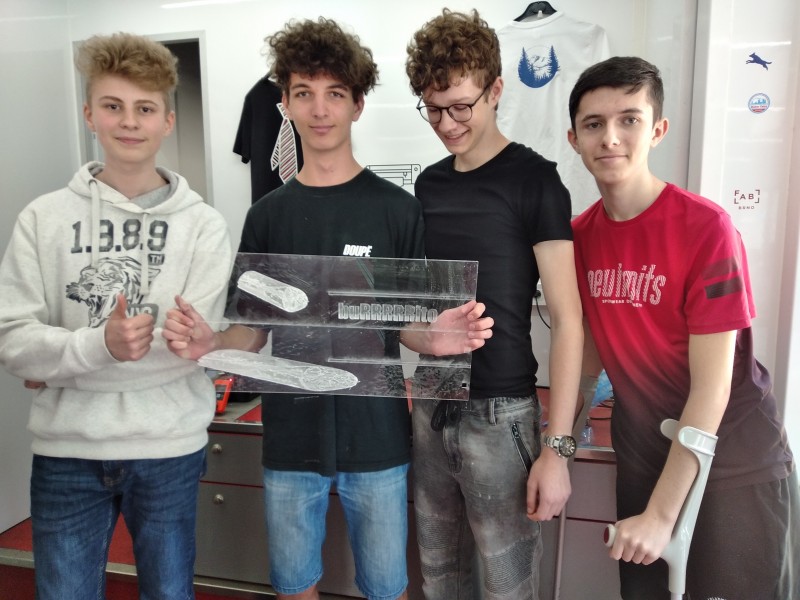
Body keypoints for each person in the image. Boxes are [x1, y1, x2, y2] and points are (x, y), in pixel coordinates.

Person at [162, 17, 492, 600]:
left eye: (335, 93)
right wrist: (209, 344)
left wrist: (435, 339)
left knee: (386, 587)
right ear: (286, 104)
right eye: (304, 93)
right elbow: (251, 331)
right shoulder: (268, 216)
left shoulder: (397, 210)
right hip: (291, 435)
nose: (319, 109)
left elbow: (405, 326)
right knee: (294, 586)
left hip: (377, 438)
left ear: (357, 104)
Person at [0, 33, 232, 599]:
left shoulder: (203, 226)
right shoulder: (42, 219)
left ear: (167, 121)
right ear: (89, 115)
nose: (129, 122)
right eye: (113, 105)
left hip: (170, 448)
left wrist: (58, 364)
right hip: (66, 452)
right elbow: (12, 341)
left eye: (145, 108)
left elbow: (187, 350)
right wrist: (96, 346)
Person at [568, 56, 798, 599]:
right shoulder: (579, 236)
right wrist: (557, 444)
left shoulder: (706, 227)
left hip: (733, 465)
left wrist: (660, 515)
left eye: (629, 119)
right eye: (594, 124)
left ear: (658, 129)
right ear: (574, 139)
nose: (611, 138)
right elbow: (588, 359)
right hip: (644, 462)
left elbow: (712, 389)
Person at [404, 9, 584, 599]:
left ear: (496, 89)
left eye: (461, 106)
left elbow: (568, 320)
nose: (447, 124)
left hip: (501, 415)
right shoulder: (428, 185)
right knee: (439, 580)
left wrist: (558, 449)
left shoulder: (536, 181)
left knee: (509, 588)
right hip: (432, 405)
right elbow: (414, 306)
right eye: (433, 109)